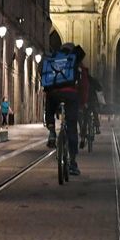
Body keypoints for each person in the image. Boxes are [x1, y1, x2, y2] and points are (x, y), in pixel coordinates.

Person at [45, 43, 89, 177]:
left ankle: (52, 131)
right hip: (71, 95)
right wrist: (82, 103)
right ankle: (73, 163)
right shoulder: (77, 62)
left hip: (54, 94)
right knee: (71, 127)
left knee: (50, 106)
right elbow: (84, 85)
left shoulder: (54, 59)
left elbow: (45, 75)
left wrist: (49, 91)